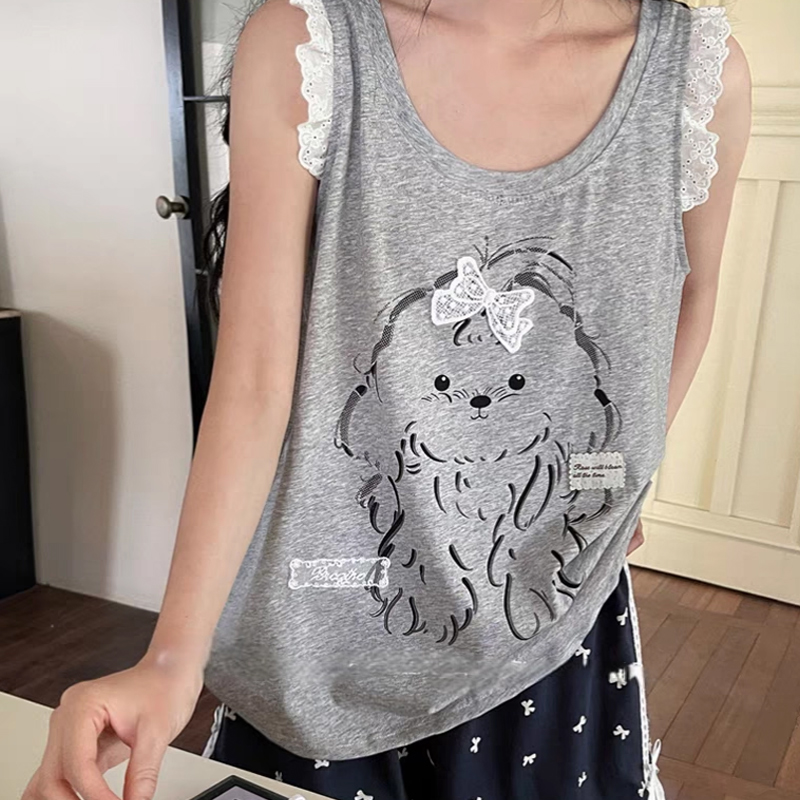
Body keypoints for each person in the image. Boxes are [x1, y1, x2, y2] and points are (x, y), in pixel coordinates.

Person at [23, 0, 751, 798]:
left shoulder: (695, 74)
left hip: (548, 626)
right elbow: (254, 377)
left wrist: (600, 483)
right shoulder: (308, 43)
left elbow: (687, 296)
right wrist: (171, 657)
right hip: (321, 632)